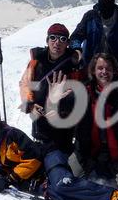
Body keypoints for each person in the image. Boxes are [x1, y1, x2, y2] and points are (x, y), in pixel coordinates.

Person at [48, 53, 118, 191]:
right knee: (67, 177)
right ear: (93, 71)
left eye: (108, 68)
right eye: (100, 68)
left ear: (114, 70)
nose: (104, 72)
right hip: (87, 153)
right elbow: (62, 107)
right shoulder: (83, 91)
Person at [19, 23, 80, 153]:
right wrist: (30, 105)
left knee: (62, 155)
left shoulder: (74, 66)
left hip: (63, 122)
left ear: (67, 43)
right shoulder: (36, 62)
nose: (57, 42)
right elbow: (25, 84)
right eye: (53, 38)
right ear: (47, 41)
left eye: (62, 39)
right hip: (40, 120)